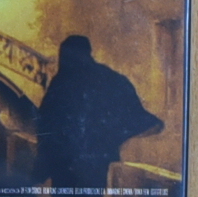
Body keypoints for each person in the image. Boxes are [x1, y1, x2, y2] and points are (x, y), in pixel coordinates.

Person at [35, 36, 163, 189]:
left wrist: (43, 163)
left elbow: (46, 122)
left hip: (65, 163)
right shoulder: (109, 78)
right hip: (96, 162)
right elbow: (131, 114)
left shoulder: (61, 82)